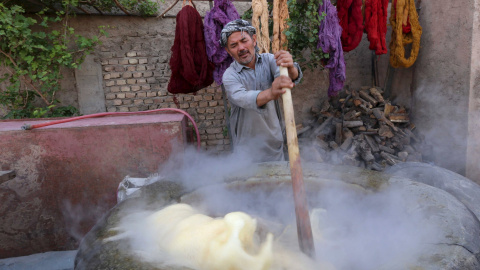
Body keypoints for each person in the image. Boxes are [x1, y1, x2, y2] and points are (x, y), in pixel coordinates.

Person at [220, 19, 303, 162]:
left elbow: (288, 78)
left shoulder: (269, 60)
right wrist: (271, 92)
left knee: (278, 183)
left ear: (254, 40)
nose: (241, 48)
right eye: (234, 45)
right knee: (249, 184)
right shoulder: (230, 75)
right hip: (246, 152)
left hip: (274, 146)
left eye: (244, 41)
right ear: (228, 51)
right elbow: (243, 98)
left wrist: (291, 68)